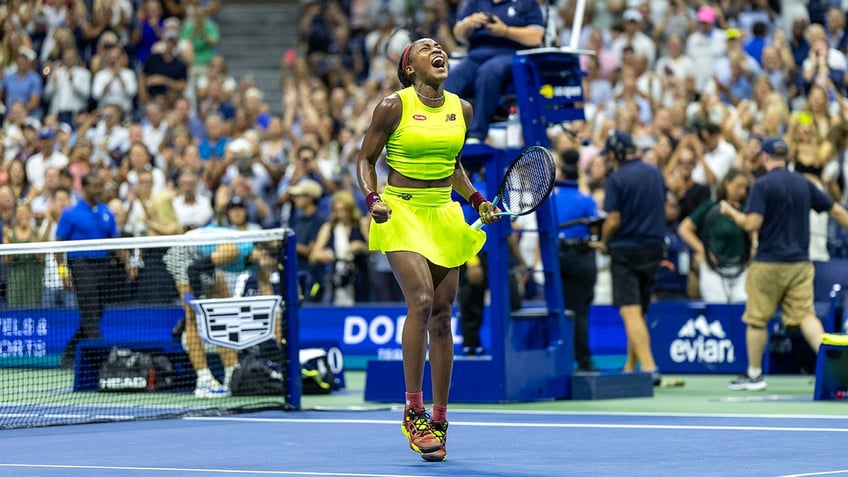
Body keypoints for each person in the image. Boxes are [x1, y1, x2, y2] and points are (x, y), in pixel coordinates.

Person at [354, 38, 497, 462]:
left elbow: (451, 163)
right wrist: (372, 198)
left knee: (441, 313)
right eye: (425, 47)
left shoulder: (462, 109)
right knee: (419, 300)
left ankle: (439, 417)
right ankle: (412, 410)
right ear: (410, 68)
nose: (438, 50)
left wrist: (475, 200)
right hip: (399, 209)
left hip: (443, 213)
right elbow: (366, 159)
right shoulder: (392, 106)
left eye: (439, 46)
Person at [720, 137, 848, 391]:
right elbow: (837, 211)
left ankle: (755, 376)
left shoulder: (762, 185)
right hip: (800, 264)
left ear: (765, 158)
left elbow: (752, 224)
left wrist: (731, 212)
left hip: (767, 264)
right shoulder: (803, 183)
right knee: (807, 317)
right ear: (786, 157)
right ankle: (837, 371)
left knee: (757, 319)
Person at [595, 131, 665, 386]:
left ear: (616, 153)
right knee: (639, 310)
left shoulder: (617, 179)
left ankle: (649, 368)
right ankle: (630, 365)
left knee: (630, 311)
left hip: (627, 249)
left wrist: (604, 241)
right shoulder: (654, 172)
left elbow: (613, 220)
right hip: (654, 248)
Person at [56, 173, 134, 369]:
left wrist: (127, 263)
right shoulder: (70, 213)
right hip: (81, 265)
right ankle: (102, 361)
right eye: (95, 186)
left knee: (96, 313)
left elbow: (114, 242)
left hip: (102, 266)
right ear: (84, 187)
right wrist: (63, 272)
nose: (99, 190)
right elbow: (58, 245)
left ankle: (69, 353)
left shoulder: (106, 212)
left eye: (101, 186)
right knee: (90, 312)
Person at [446, 0, 544, 144]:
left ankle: (477, 134)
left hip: (510, 53)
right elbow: (458, 33)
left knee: (488, 72)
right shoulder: (476, 2)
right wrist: (469, 23)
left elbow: (536, 36)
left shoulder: (526, 3)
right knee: (451, 81)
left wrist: (505, 31)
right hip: (476, 55)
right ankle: (443, 132)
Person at [553, 149, 599, 372]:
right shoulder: (587, 200)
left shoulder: (552, 200)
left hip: (558, 258)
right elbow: (596, 226)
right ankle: (583, 359)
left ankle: (560, 359)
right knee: (580, 310)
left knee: (559, 308)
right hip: (582, 258)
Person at [678, 168, 753, 303]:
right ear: (727, 184)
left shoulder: (746, 210)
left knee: (742, 305)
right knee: (717, 307)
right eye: (738, 186)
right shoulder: (711, 207)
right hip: (714, 269)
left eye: (745, 187)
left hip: (740, 268)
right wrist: (704, 251)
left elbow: (753, 230)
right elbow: (684, 228)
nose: (742, 191)